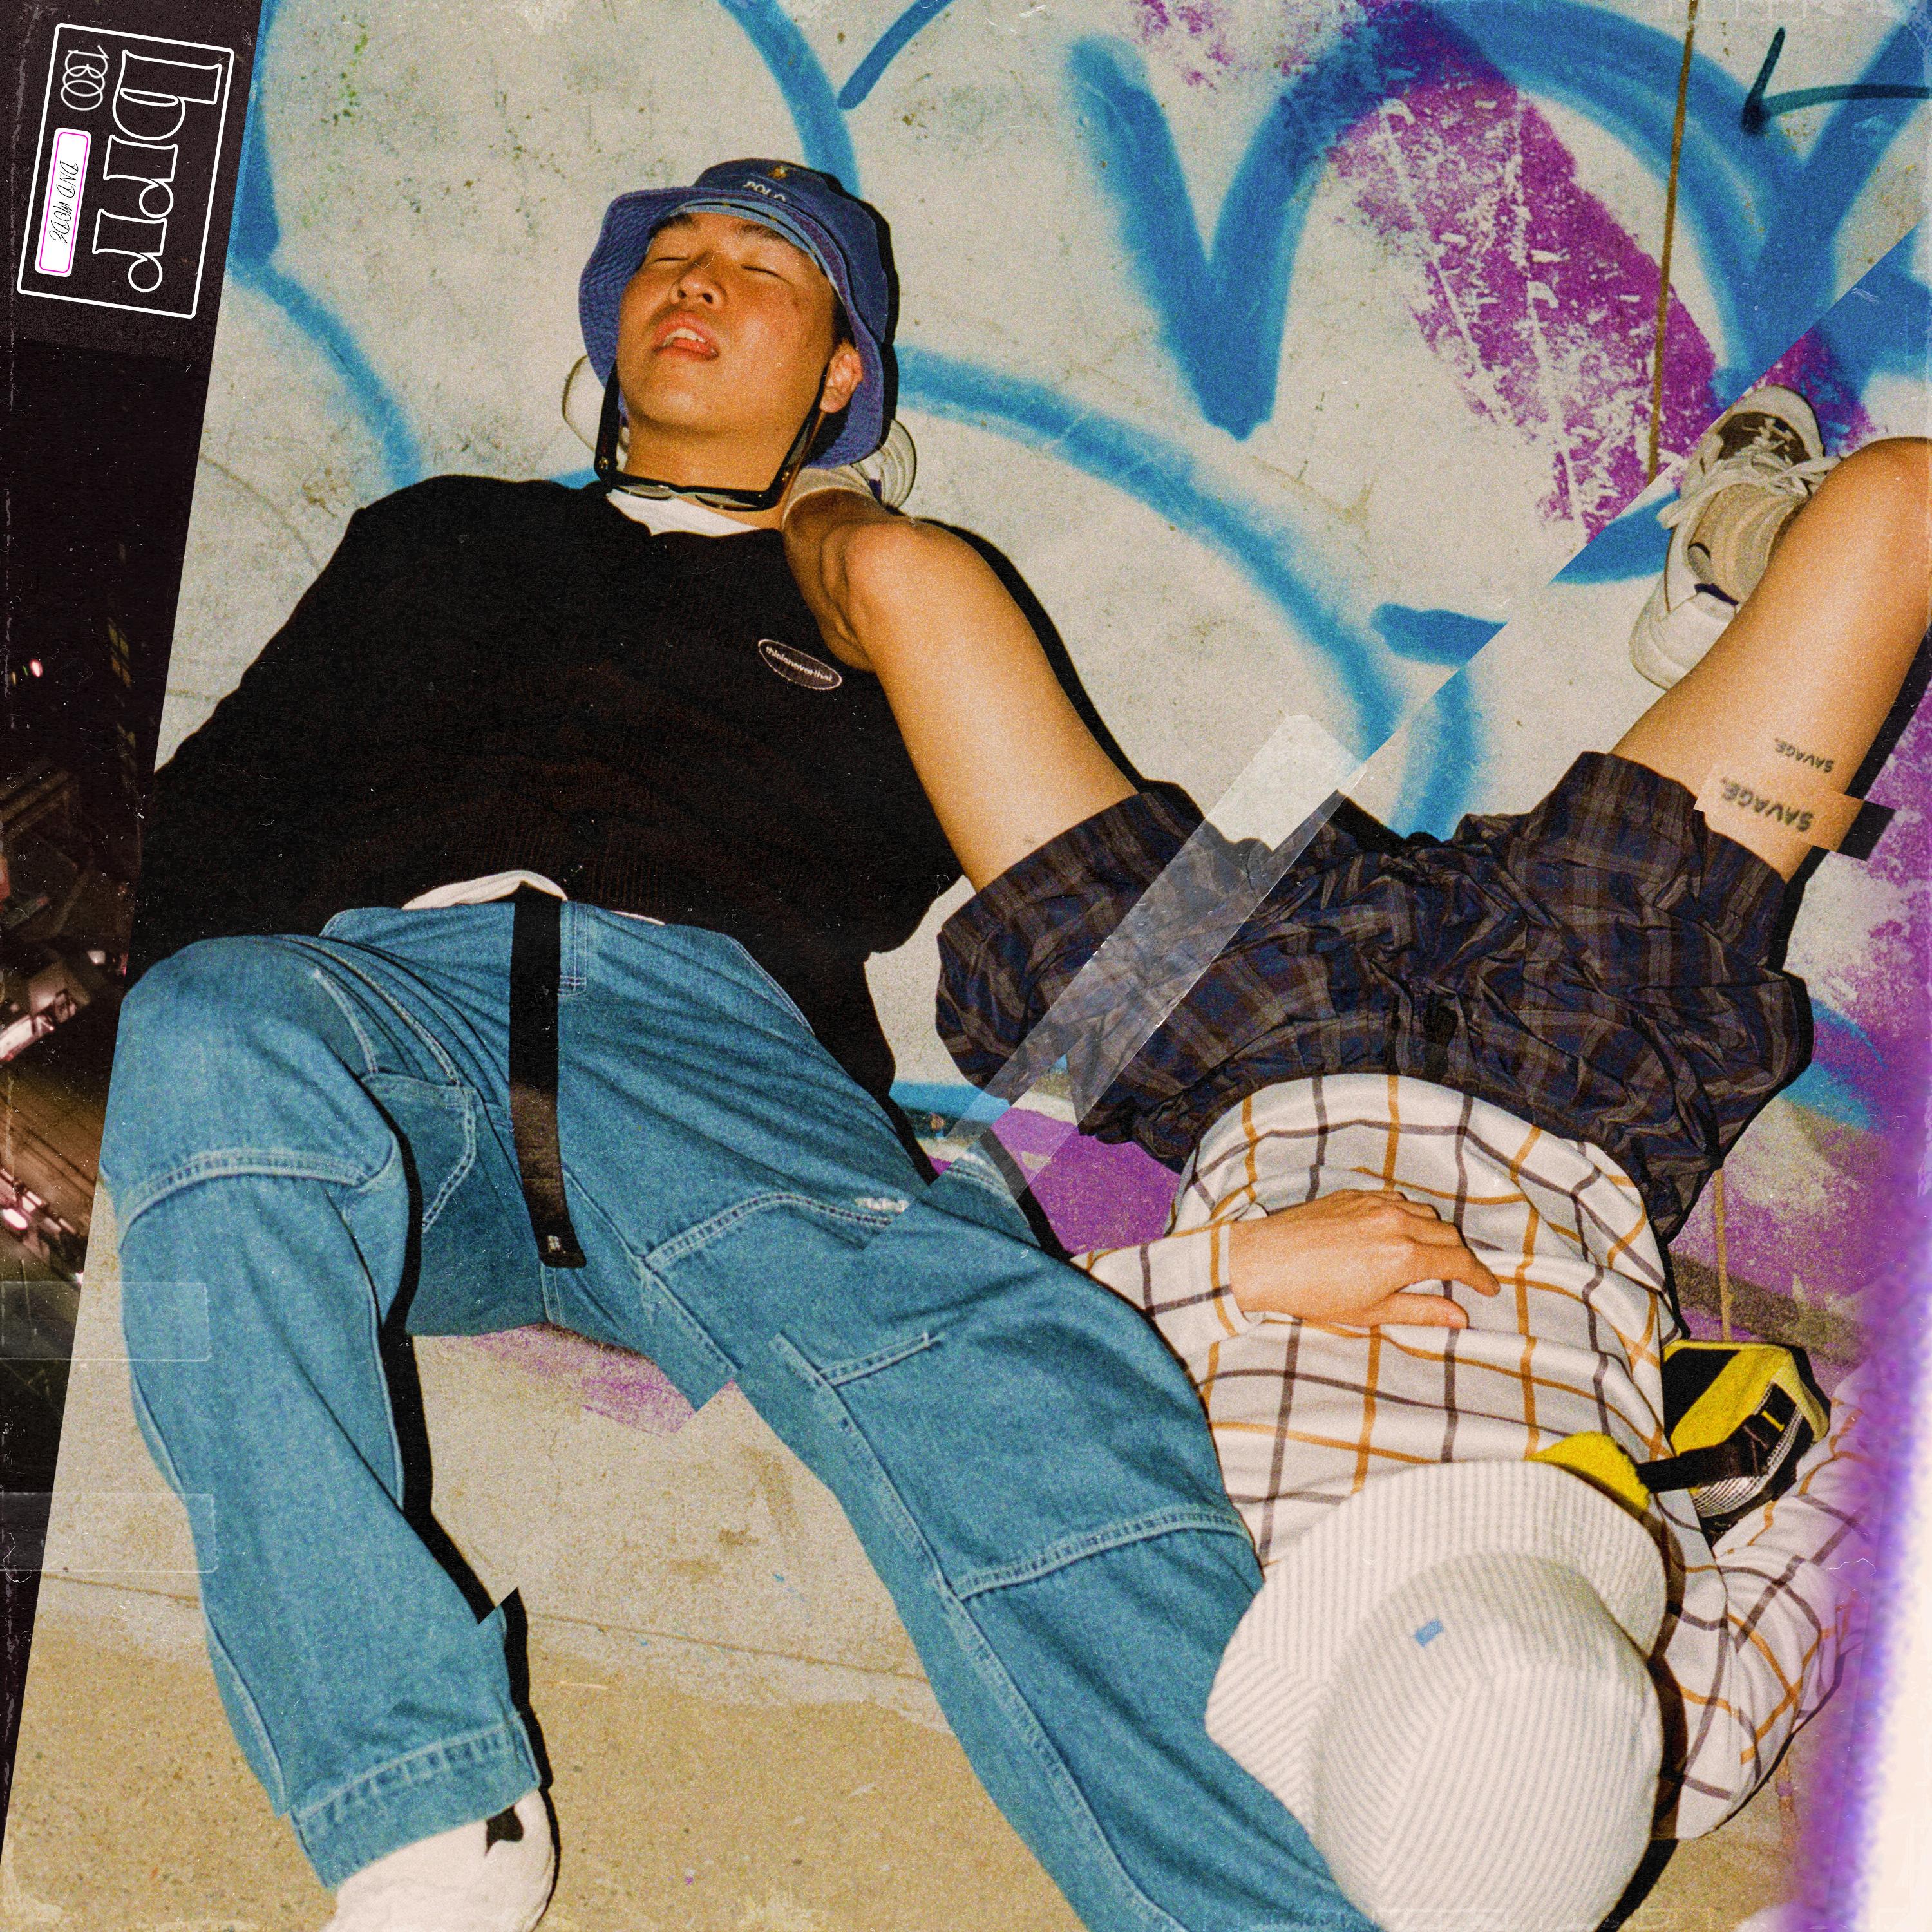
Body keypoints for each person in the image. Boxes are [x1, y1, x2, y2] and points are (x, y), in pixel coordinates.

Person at [101, 160, 1391, 1932]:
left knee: (1012, 1373)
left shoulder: (893, 605)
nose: (693, 282)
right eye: (669, 257)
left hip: (716, 1062)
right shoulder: (440, 537)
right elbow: (221, 808)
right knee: (204, 1017)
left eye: (759, 269)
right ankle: (423, 1811)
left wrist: (850, 546)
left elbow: (1065, 881)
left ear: (845, 373)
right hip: (388, 1032)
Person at [783, 386, 1927, 1931]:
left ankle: (763, 486)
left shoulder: (1173, 1647)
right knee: (1901, 508)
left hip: (1237, 1038)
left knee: (906, 576)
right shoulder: (1678, 1745)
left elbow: (911, 1349)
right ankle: (1740, 557)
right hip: (1602, 1050)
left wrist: (1234, 1273)